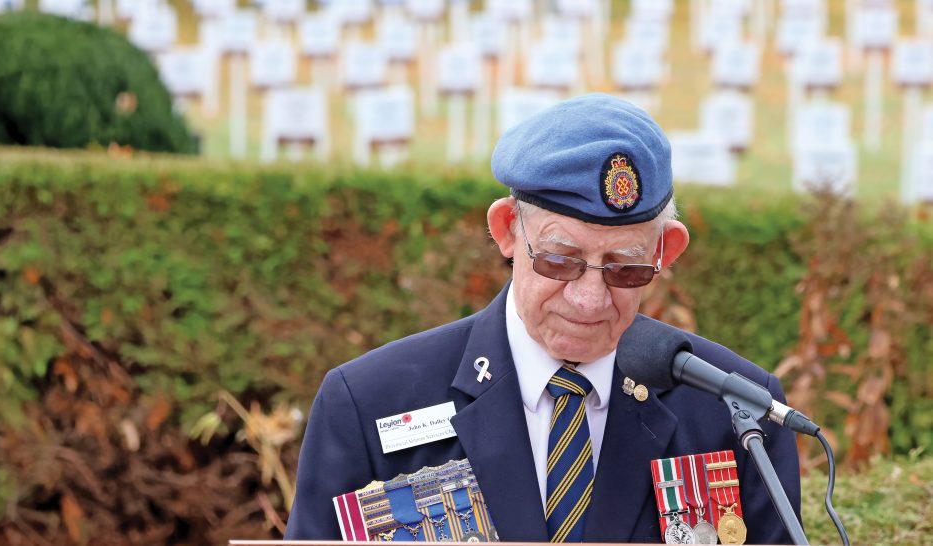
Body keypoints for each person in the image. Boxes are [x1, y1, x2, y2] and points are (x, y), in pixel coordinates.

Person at [284, 94, 801, 543]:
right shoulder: (371, 403)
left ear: (666, 251)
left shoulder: (734, 413)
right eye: (560, 260)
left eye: (625, 268)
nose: (589, 299)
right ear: (507, 230)